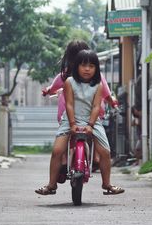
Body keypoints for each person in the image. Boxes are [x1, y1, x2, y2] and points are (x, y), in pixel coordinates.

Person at [35, 50, 124, 195]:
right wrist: (72, 124)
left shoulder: (98, 86)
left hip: (92, 121)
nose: (87, 69)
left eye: (91, 66)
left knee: (105, 152)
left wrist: (90, 125)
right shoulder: (69, 82)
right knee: (57, 151)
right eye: (83, 65)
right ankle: (51, 185)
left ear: (96, 69)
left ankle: (107, 184)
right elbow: (69, 104)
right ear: (76, 67)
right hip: (69, 120)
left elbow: (96, 107)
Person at [42, 40, 117, 174]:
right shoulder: (97, 77)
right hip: (92, 115)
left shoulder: (64, 76)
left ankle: (64, 158)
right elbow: (106, 93)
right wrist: (112, 100)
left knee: (63, 137)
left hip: (67, 114)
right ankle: (95, 156)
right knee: (95, 133)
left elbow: (53, 88)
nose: (86, 68)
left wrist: (47, 91)